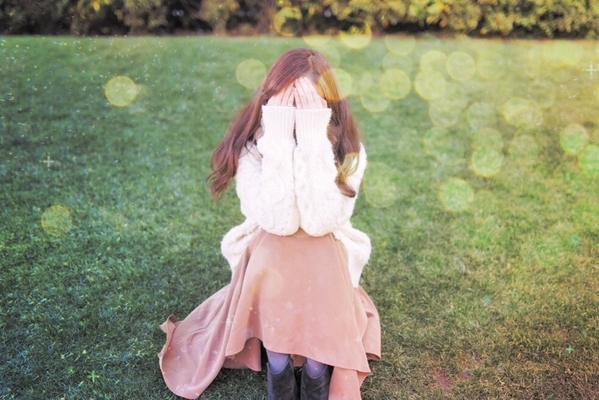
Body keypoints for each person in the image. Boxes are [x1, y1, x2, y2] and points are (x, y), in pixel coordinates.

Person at [158, 48, 381, 400]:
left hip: (326, 253)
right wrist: (276, 139)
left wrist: (313, 140)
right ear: (271, 102)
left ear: (327, 106)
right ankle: (278, 369)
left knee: (318, 245)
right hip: (268, 249)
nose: (297, 113)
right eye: (288, 103)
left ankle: (316, 370)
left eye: (307, 104)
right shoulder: (253, 146)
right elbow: (279, 222)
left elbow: (320, 222)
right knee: (279, 246)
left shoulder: (348, 150)